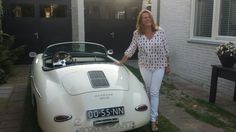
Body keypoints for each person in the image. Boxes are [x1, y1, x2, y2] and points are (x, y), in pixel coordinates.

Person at [117, 9, 170, 131]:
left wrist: (168, 65)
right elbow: (131, 48)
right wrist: (121, 61)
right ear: (141, 20)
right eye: (144, 17)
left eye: (149, 17)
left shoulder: (160, 32)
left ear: (152, 18)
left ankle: (153, 119)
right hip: (144, 66)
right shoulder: (137, 33)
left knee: (154, 92)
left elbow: (166, 49)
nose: (147, 19)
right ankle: (151, 112)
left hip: (159, 65)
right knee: (148, 90)